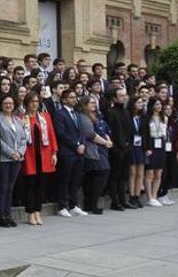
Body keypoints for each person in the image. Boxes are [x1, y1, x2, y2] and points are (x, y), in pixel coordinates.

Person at [21, 92, 57, 226]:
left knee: (41, 185)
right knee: (30, 185)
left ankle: (38, 211)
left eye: (36, 101)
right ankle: (30, 212)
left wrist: (54, 153)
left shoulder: (45, 117)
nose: (34, 104)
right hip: (29, 156)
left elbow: (52, 135)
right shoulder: (22, 118)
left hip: (44, 156)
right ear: (26, 104)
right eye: (31, 101)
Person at [52, 89, 88, 217]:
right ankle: (62, 205)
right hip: (67, 151)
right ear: (64, 99)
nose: (74, 99)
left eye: (75, 97)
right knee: (64, 179)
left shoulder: (77, 113)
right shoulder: (59, 114)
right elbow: (61, 133)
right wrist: (76, 145)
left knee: (76, 179)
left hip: (79, 152)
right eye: (71, 97)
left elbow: (81, 131)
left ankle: (73, 205)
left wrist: (82, 143)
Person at [0, 95, 27, 227]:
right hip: (4, 158)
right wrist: (11, 152)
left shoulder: (17, 120)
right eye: (6, 103)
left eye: (11, 103)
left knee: (10, 188)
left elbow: (24, 139)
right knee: (2, 187)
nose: (8, 105)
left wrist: (20, 152)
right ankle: (1, 216)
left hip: (17, 158)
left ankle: (8, 214)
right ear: (1, 105)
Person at [78, 96, 112, 215]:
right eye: (91, 103)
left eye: (95, 102)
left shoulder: (96, 115)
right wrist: (105, 142)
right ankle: (92, 203)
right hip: (91, 150)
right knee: (100, 172)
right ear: (85, 104)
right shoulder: (83, 117)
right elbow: (90, 134)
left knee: (96, 175)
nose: (94, 104)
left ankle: (91, 202)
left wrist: (107, 137)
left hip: (99, 148)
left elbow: (103, 129)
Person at [105, 87, 132, 211]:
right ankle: (115, 202)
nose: (124, 97)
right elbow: (110, 131)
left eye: (124, 95)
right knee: (114, 176)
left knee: (123, 176)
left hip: (126, 148)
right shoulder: (110, 112)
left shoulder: (126, 111)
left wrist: (128, 145)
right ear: (114, 98)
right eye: (121, 95)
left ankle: (123, 200)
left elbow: (129, 130)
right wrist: (115, 148)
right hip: (116, 149)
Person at [142, 97, 167, 207]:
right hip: (151, 144)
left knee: (159, 172)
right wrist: (147, 148)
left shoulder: (163, 118)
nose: (159, 107)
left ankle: (154, 194)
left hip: (161, 144)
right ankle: (149, 197)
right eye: (156, 104)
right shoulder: (147, 118)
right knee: (150, 172)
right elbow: (145, 134)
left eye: (160, 104)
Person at [159, 101, 178, 205]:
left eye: (170, 109)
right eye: (166, 109)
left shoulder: (173, 123)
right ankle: (160, 194)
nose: (168, 111)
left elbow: (176, 139)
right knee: (163, 173)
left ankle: (165, 193)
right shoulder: (160, 121)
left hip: (171, 150)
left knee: (171, 172)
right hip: (161, 150)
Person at [127, 97, 146, 209]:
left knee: (140, 173)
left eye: (142, 102)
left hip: (141, 146)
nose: (141, 104)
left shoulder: (143, 117)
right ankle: (131, 196)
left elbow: (146, 133)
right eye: (138, 102)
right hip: (131, 146)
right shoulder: (128, 116)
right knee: (133, 173)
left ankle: (137, 196)